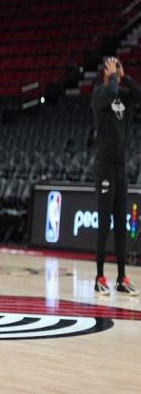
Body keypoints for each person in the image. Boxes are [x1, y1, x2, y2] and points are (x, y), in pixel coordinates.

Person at [92, 57, 141, 296]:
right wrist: (112, 77)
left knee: (121, 224)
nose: (115, 71)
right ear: (105, 73)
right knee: (104, 224)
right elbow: (110, 92)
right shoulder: (99, 95)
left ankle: (122, 277)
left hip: (120, 167)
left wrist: (125, 76)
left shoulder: (122, 94)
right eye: (112, 67)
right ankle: (99, 277)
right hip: (104, 166)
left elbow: (138, 95)